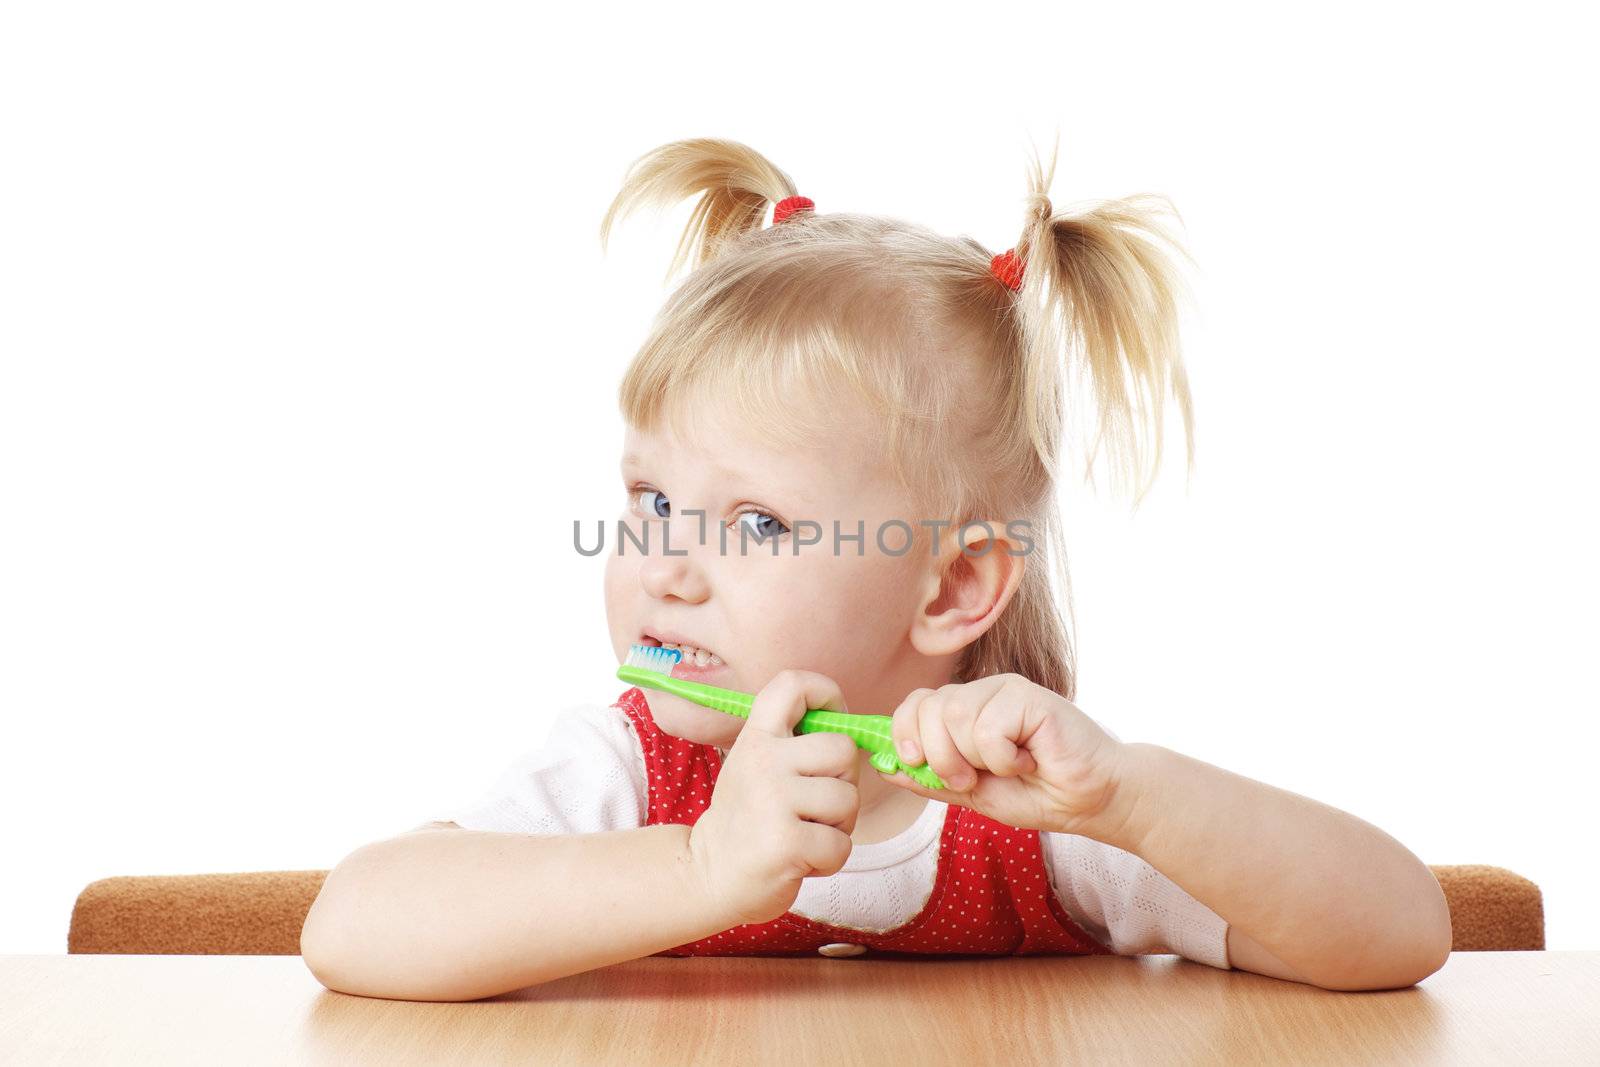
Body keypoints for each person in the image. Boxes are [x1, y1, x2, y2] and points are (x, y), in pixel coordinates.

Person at [300, 136, 1452, 1001]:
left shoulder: (1037, 812)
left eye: (754, 524)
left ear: (949, 589)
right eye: (651, 500)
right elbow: (351, 925)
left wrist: (1135, 797)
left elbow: (1401, 933)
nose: (662, 565)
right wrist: (699, 868)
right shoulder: (635, 773)